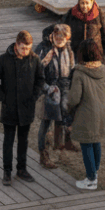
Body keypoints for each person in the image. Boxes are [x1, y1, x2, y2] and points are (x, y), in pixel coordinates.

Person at [0, 30, 45, 186]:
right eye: (23, 48)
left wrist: (34, 97)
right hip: (10, 108)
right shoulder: (3, 59)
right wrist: (3, 98)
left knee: (23, 141)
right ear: (16, 45)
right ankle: (7, 171)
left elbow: (40, 79)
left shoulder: (34, 59)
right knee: (8, 140)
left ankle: (22, 169)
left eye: (28, 48)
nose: (26, 51)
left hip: (26, 108)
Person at [65, 39, 105, 191]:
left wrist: (66, 105)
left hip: (86, 114)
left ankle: (91, 179)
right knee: (96, 142)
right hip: (102, 113)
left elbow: (74, 99)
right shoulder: (104, 70)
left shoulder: (79, 73)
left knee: (86, 145)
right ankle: (94, 173)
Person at [35, 23, 75, 169]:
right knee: (46, 124)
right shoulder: (44, 49)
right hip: (48, 90)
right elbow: (36, 72)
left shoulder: (67, 49)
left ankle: (60, 149)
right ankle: (43, 155)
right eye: (57, 35)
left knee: (62, 120)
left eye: (63, 36)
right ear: (51, 36)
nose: (60, 39)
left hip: (63, 88)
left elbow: (71, 69)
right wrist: (47, 88)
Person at [62, 0, 105, 65]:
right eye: (82, 3)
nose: (84, 6)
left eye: (87, 3)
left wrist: (104, 59)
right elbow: (62, 31)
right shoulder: (71, 14)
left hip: (95, 59)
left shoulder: (100, 14)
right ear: (79, 2)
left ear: (92, 2)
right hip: (76, 58)